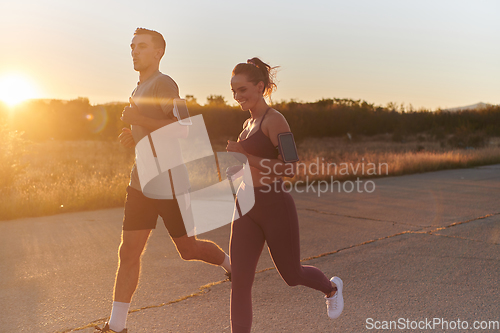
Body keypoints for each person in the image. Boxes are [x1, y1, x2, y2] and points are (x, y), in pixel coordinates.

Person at [94, 28, 231, 333]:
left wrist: (139, 120)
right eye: (132, 46)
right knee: (128, 251)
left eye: (141, 46)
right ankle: (116, 325)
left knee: (188, 250)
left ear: (158, 53)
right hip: (141, 181)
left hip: (170, 181)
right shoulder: (139, 87)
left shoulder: (164, 83)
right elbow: (154, 130)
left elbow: (184, 128)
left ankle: (231, 265)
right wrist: (134, 135)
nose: (134, 51)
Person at [226, 57, 344, 332]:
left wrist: (246, 156)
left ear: (260, 86)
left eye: (242, 89)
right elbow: (252, 164)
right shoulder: (247, 125)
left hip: (274, 204)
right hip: (245, 204)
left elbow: (290, 168)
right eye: (233, 91)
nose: (237, 96)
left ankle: (331, 289)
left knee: (292, 275)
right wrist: (239, 169)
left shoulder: (275, 120)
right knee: (240, 281)